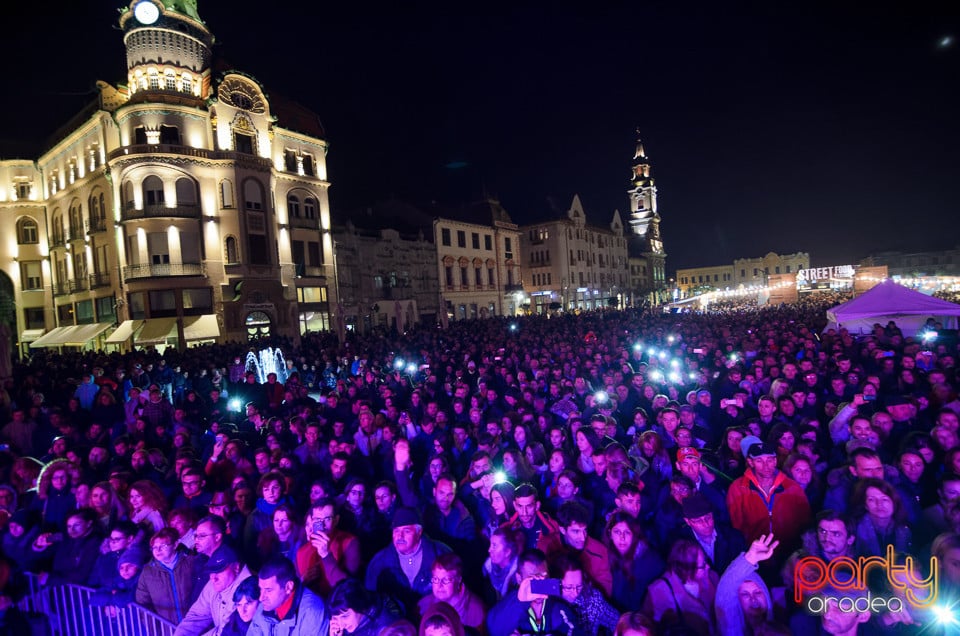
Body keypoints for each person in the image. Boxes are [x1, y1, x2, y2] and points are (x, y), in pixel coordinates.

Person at [726, 439, 811, 557]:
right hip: (754, 553)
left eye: (770, 460)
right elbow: (736, 525)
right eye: (759, 461)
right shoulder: (738, 488)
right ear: (750, 462)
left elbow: (804, 521)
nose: (766, 465)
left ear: (775, 461)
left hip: (788, 552)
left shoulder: (792, 487)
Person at [365, 506, 451, 613]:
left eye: (406, 531)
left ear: (419, 532)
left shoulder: (441, 554)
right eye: (396, 531)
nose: (400, 536)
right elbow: (372, 602)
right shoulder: (379, 564)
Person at [486, 548, 583, 636]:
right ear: (519, 579)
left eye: (544, 579)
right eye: (533, 581)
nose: (540, 587)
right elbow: (493, 630)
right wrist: (519, 602)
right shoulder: (509, 607)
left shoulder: (559, 608)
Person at [642, 537, 719, 636]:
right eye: (703, 565)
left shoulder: (712, 578)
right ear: (686, 570)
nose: (708, 567)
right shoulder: (658, 592)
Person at [538, 500, 612, 597]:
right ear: (562, 530)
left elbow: (605, 591)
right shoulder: (545, 546)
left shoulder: (600, 551)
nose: (583, 537)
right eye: (576, 532)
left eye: (585, 530)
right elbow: (539, 585)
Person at [175, 544, 253, 636]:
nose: (213, 578)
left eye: (219, 571)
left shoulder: (247, 590)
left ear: (236, 568)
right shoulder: (215, 583)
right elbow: (197, 615)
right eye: (211, 572)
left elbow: (227, 632)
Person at [248, 556, 329, 636]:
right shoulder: (264, 607)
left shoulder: (312, 611)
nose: (261, 598)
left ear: (288, 587)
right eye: (261, 589)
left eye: (268, 590)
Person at [297, 498, 362, 597]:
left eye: (327, 519)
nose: (322, 525)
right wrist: (303, 580)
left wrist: (326, 555)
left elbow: (348, 588)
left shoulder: (350, 542)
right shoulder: (302, 551)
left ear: (336, 520)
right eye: (317, 520)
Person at [715, 534, 777, 636]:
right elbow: (726, 587)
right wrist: (749, 559)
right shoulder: (731, 628)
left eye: (757, 592)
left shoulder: (779, 626)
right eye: (745, 594)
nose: (753, 599)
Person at [550, 553, 619, 636]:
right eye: (568, 587)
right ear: (556, 583)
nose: (575, 593)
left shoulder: (593, 600)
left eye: (579, 586)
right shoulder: (546, 601)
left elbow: (618, 622)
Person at [678, 492, 746, 574]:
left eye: (708, 517)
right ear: (687, 521)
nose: (705, 524)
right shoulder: (680, 544)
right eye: (698, 521)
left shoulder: (734, 537)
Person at [416, 553, 486, 631]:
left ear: (458, 580)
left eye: (446, 580)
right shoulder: (422, 606)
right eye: (436, 579)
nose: (439, 585)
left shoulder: (475, 610)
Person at [328, 578, 403, 636]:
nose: (341, 625)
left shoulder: (384, 629)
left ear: (359, 605)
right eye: (335, 618)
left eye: (345, 616)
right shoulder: (353, 624)